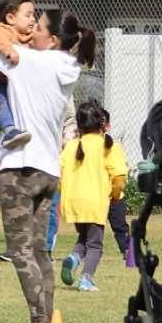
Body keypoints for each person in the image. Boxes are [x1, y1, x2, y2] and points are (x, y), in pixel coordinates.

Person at [0, 4, 93, 323]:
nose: (32, 31)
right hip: (48, 170)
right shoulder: (67, 66)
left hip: (21, 168)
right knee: (41, 250)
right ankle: (47, 322)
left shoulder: (30, 61)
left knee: (20, 250)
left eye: (38, 28)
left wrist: (13, 39)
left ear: (53, 38)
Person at [59, 99, 127, 293]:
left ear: (79, 126)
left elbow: (59, 172)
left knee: (84, 238)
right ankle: (86, 280)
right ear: (102, 124)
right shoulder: (109, 146)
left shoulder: (71, 146)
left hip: (73, 202)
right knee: (95, 244)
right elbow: (119, 176)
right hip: (95, 202)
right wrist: (116, 194)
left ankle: (73, 258)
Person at [0, 0, 38, 152]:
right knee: (4, 103)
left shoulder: (29, 35)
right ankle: (10, 131)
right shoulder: (4, 29)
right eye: (28, 15)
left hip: (13, 84)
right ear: (11, 18)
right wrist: (9, 52)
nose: (33, 19)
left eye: (34, 15)